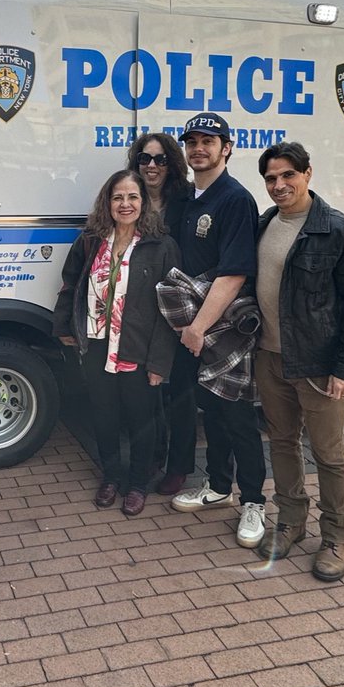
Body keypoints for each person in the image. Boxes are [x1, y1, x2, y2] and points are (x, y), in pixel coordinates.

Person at [253, 142, 344, 581]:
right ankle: (291, 521)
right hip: (269, 358)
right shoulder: (266, 223)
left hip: (319, 364)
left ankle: (336, 536)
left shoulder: (340, 230)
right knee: (282, 443)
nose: (279, 185)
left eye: (288, 175)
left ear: (308, 174)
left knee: (329, 453)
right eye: (271, 178)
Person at [164, 112, 268, 549]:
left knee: (239, 415)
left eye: (209, 141)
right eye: (192, 142)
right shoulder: (189, 197)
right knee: (213, 411)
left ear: (228, 147)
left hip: (223, 328)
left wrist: (196, 329)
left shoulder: (234, 199)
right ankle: (219, 487)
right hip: (196, 325)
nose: (198, 149)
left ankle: (255, 501)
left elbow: (234, 273)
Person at [54, 170, 180, 516]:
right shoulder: (91, 240)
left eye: (133, 197)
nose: (125, 204)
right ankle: (111, 476)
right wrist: (64, 324)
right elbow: (70, 284)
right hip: (96, 344)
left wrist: (158, 363)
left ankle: (137, 484)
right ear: (107, 202)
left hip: (138, 351)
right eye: (118, 197)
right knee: (104, 416)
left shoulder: (161, 246)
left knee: (142, 420)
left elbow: (171, 312)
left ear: (144, 203)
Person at [126, 131, 192, 488]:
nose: (152, 166)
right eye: (145, 159)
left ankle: (179, 465)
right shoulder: (127, 198)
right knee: (146, 392)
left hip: (177, 306)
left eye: (160, 159)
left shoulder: (186, 201)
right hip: (138, 308)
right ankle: (150, 458)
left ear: (172, 164)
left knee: (178, 389)